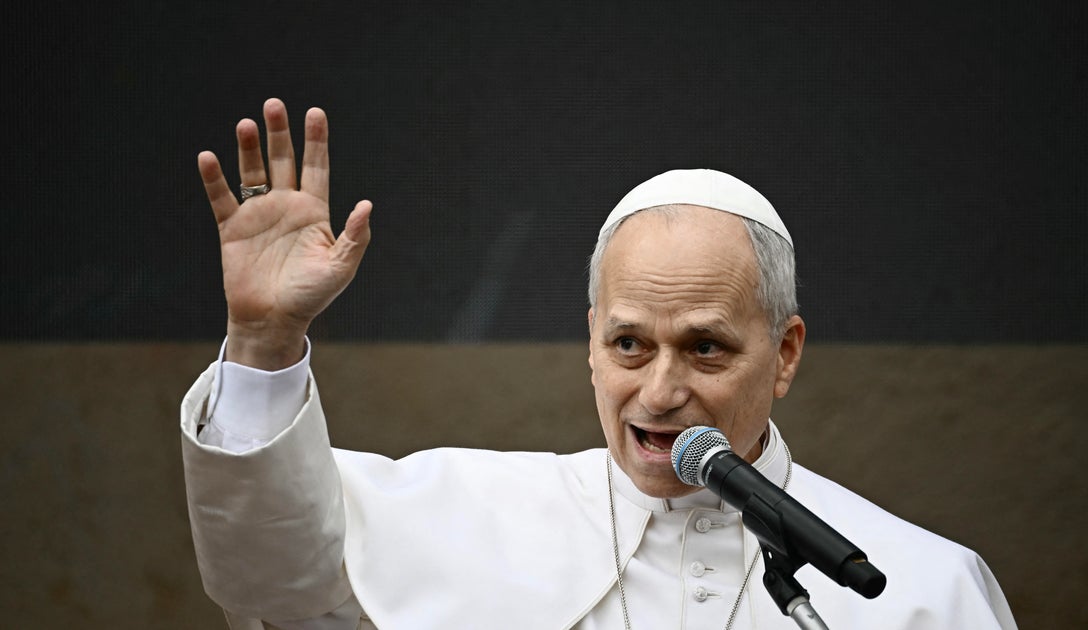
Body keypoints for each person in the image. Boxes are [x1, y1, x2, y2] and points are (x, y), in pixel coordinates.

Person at [182, 98, 1018, 629]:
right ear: (591, 343)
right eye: (629, 344)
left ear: (785, 354)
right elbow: (268, 577)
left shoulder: (922, 588)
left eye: (705, 347)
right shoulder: (469, 514)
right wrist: (263, 340)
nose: (660, 392)